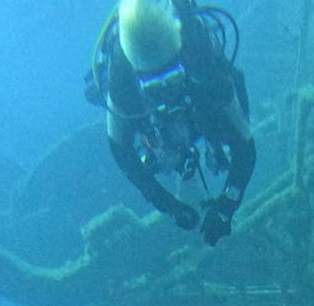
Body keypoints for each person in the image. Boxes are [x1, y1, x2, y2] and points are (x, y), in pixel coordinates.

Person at [87, 0, 255, 245]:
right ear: (138, 77)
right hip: (158, 118)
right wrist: (167, 204)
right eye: (154, 87)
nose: (166, 94)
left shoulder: (203, 61)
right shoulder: (122, 82)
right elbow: (121, 150)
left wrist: (226, 207)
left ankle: (211, 148)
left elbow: (245, 145)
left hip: (200, 101)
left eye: (172, 78)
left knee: (218, 122)